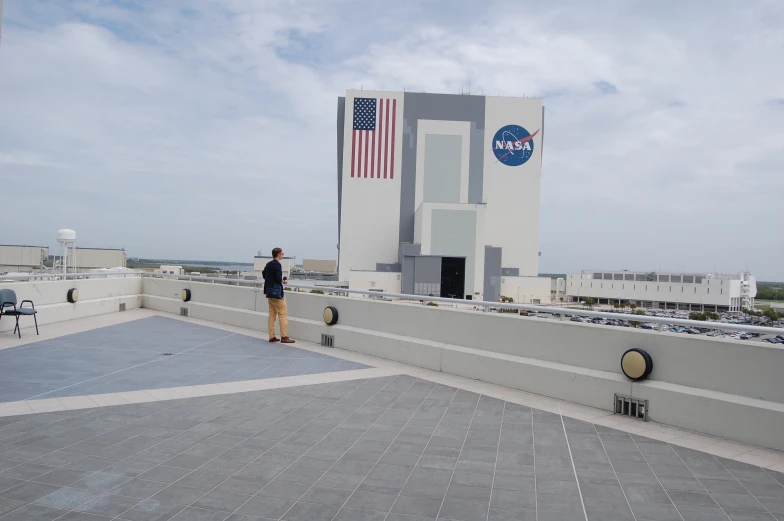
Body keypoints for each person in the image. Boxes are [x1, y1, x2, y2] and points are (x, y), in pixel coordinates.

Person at [262, 247, 294, 343]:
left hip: (269, 292)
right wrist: (283, 281)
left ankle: (272, 336)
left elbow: (264, 275)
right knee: (282, 314)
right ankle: (284, 337)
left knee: (272, 315)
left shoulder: (268, 264)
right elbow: (278, 278)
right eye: (282, 253)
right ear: (278, 254)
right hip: (276, 293)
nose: (282, 255)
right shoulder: (277, 265)